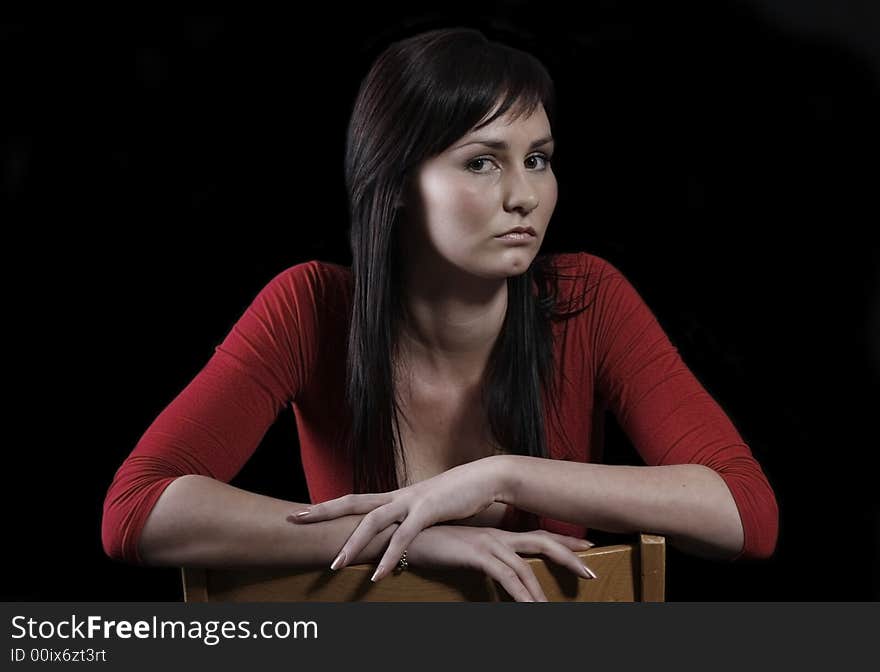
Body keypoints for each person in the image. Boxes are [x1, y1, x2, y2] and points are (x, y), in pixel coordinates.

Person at [102, 27, 778, 602]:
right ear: (396, 185)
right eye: (483, 162)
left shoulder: (585, 299)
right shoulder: (311, 307)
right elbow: (137, 511)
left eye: (538, 160)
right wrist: (416, 539)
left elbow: (745, 516)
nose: (525, 196)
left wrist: (503, 474)